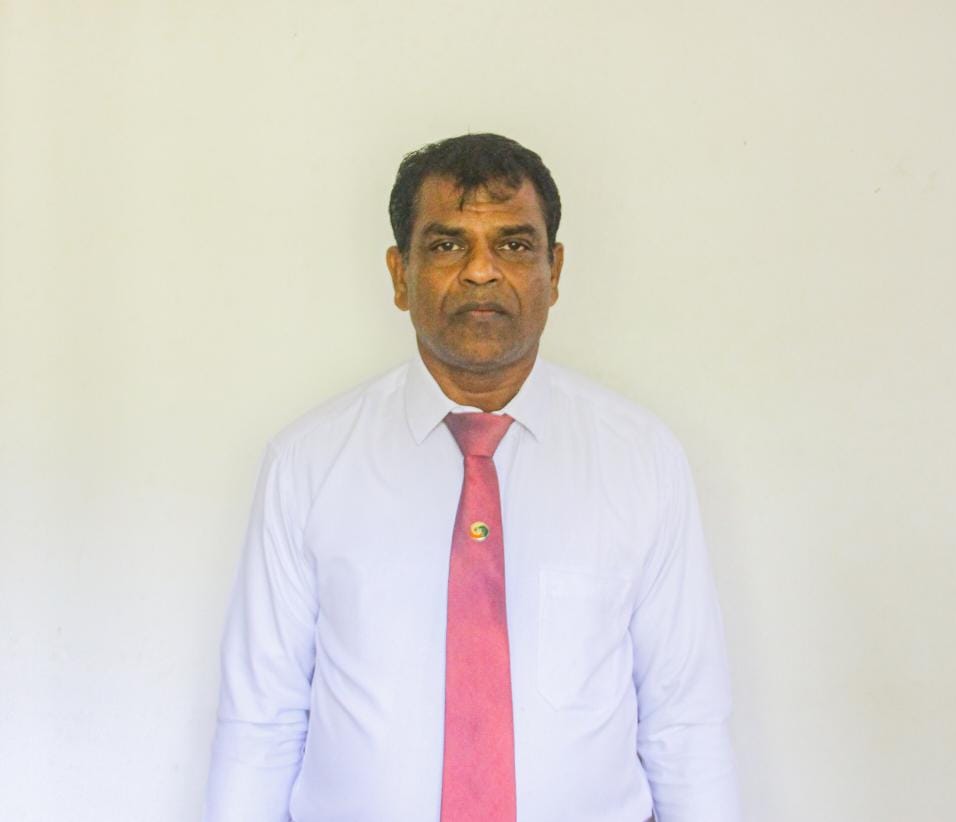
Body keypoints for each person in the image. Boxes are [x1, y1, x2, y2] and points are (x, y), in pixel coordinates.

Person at [203, 133, 741, 821]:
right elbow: (261, 721)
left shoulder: (641, 459)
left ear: (555, 270)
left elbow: (684, 723)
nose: (482, 271)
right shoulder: (306, 464)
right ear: (400, 274)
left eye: (513, 244)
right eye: (447, 244)